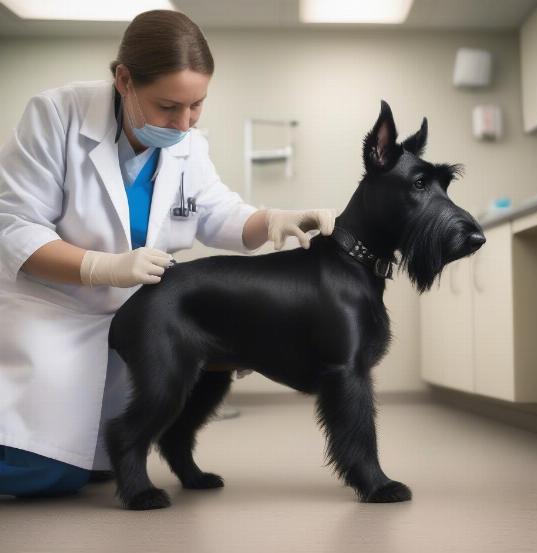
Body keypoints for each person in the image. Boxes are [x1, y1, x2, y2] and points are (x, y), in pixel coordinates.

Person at [0, 10, 336, 498]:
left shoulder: (187, 145)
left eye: (197, 105)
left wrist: (273, 220)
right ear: (123, 79)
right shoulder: (57, 116)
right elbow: (15, 229)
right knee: (47, 468)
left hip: (131, 322)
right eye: (168, 106)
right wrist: (99, 267)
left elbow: (217, 213)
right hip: (57, 314)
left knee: (99, 462)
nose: (184, 123)